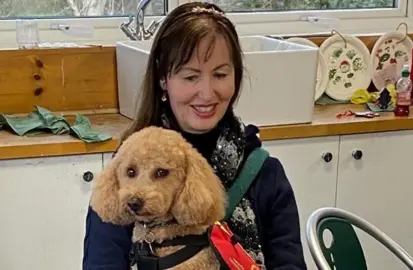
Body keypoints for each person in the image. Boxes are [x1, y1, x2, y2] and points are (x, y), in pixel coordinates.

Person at [82, 2, 307, 269]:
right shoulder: (129, 170)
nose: (207, 93)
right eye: (190, 77)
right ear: (163, 78)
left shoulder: (264, 173)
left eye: (220, 74)